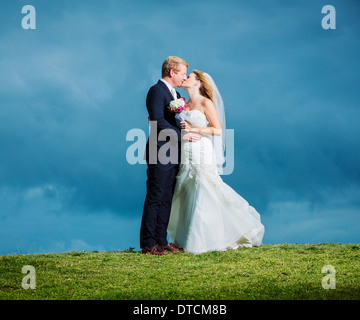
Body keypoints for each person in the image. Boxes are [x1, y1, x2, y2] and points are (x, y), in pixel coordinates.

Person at [167, 70, 265, 254]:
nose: (185, 78)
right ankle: (182, 240)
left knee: (204, 188)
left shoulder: (205, 102)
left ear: (197, 83)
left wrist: (195, 129)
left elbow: (217, 130)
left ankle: (202, 239)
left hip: (201, 150)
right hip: (185, 151)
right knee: (187, 190)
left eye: (189, 77)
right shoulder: (182, 103)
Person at [140, 56, 201, 255]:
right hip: (159, 151)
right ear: (172, 72)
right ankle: (148, 244)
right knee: (155, 197)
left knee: (167, 197)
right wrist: (183, 135)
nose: (184, 77)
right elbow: (157, 121)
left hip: (173, 152)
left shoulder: (174, 94)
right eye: (182, 73)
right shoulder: (156, 91)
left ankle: (161, 240)